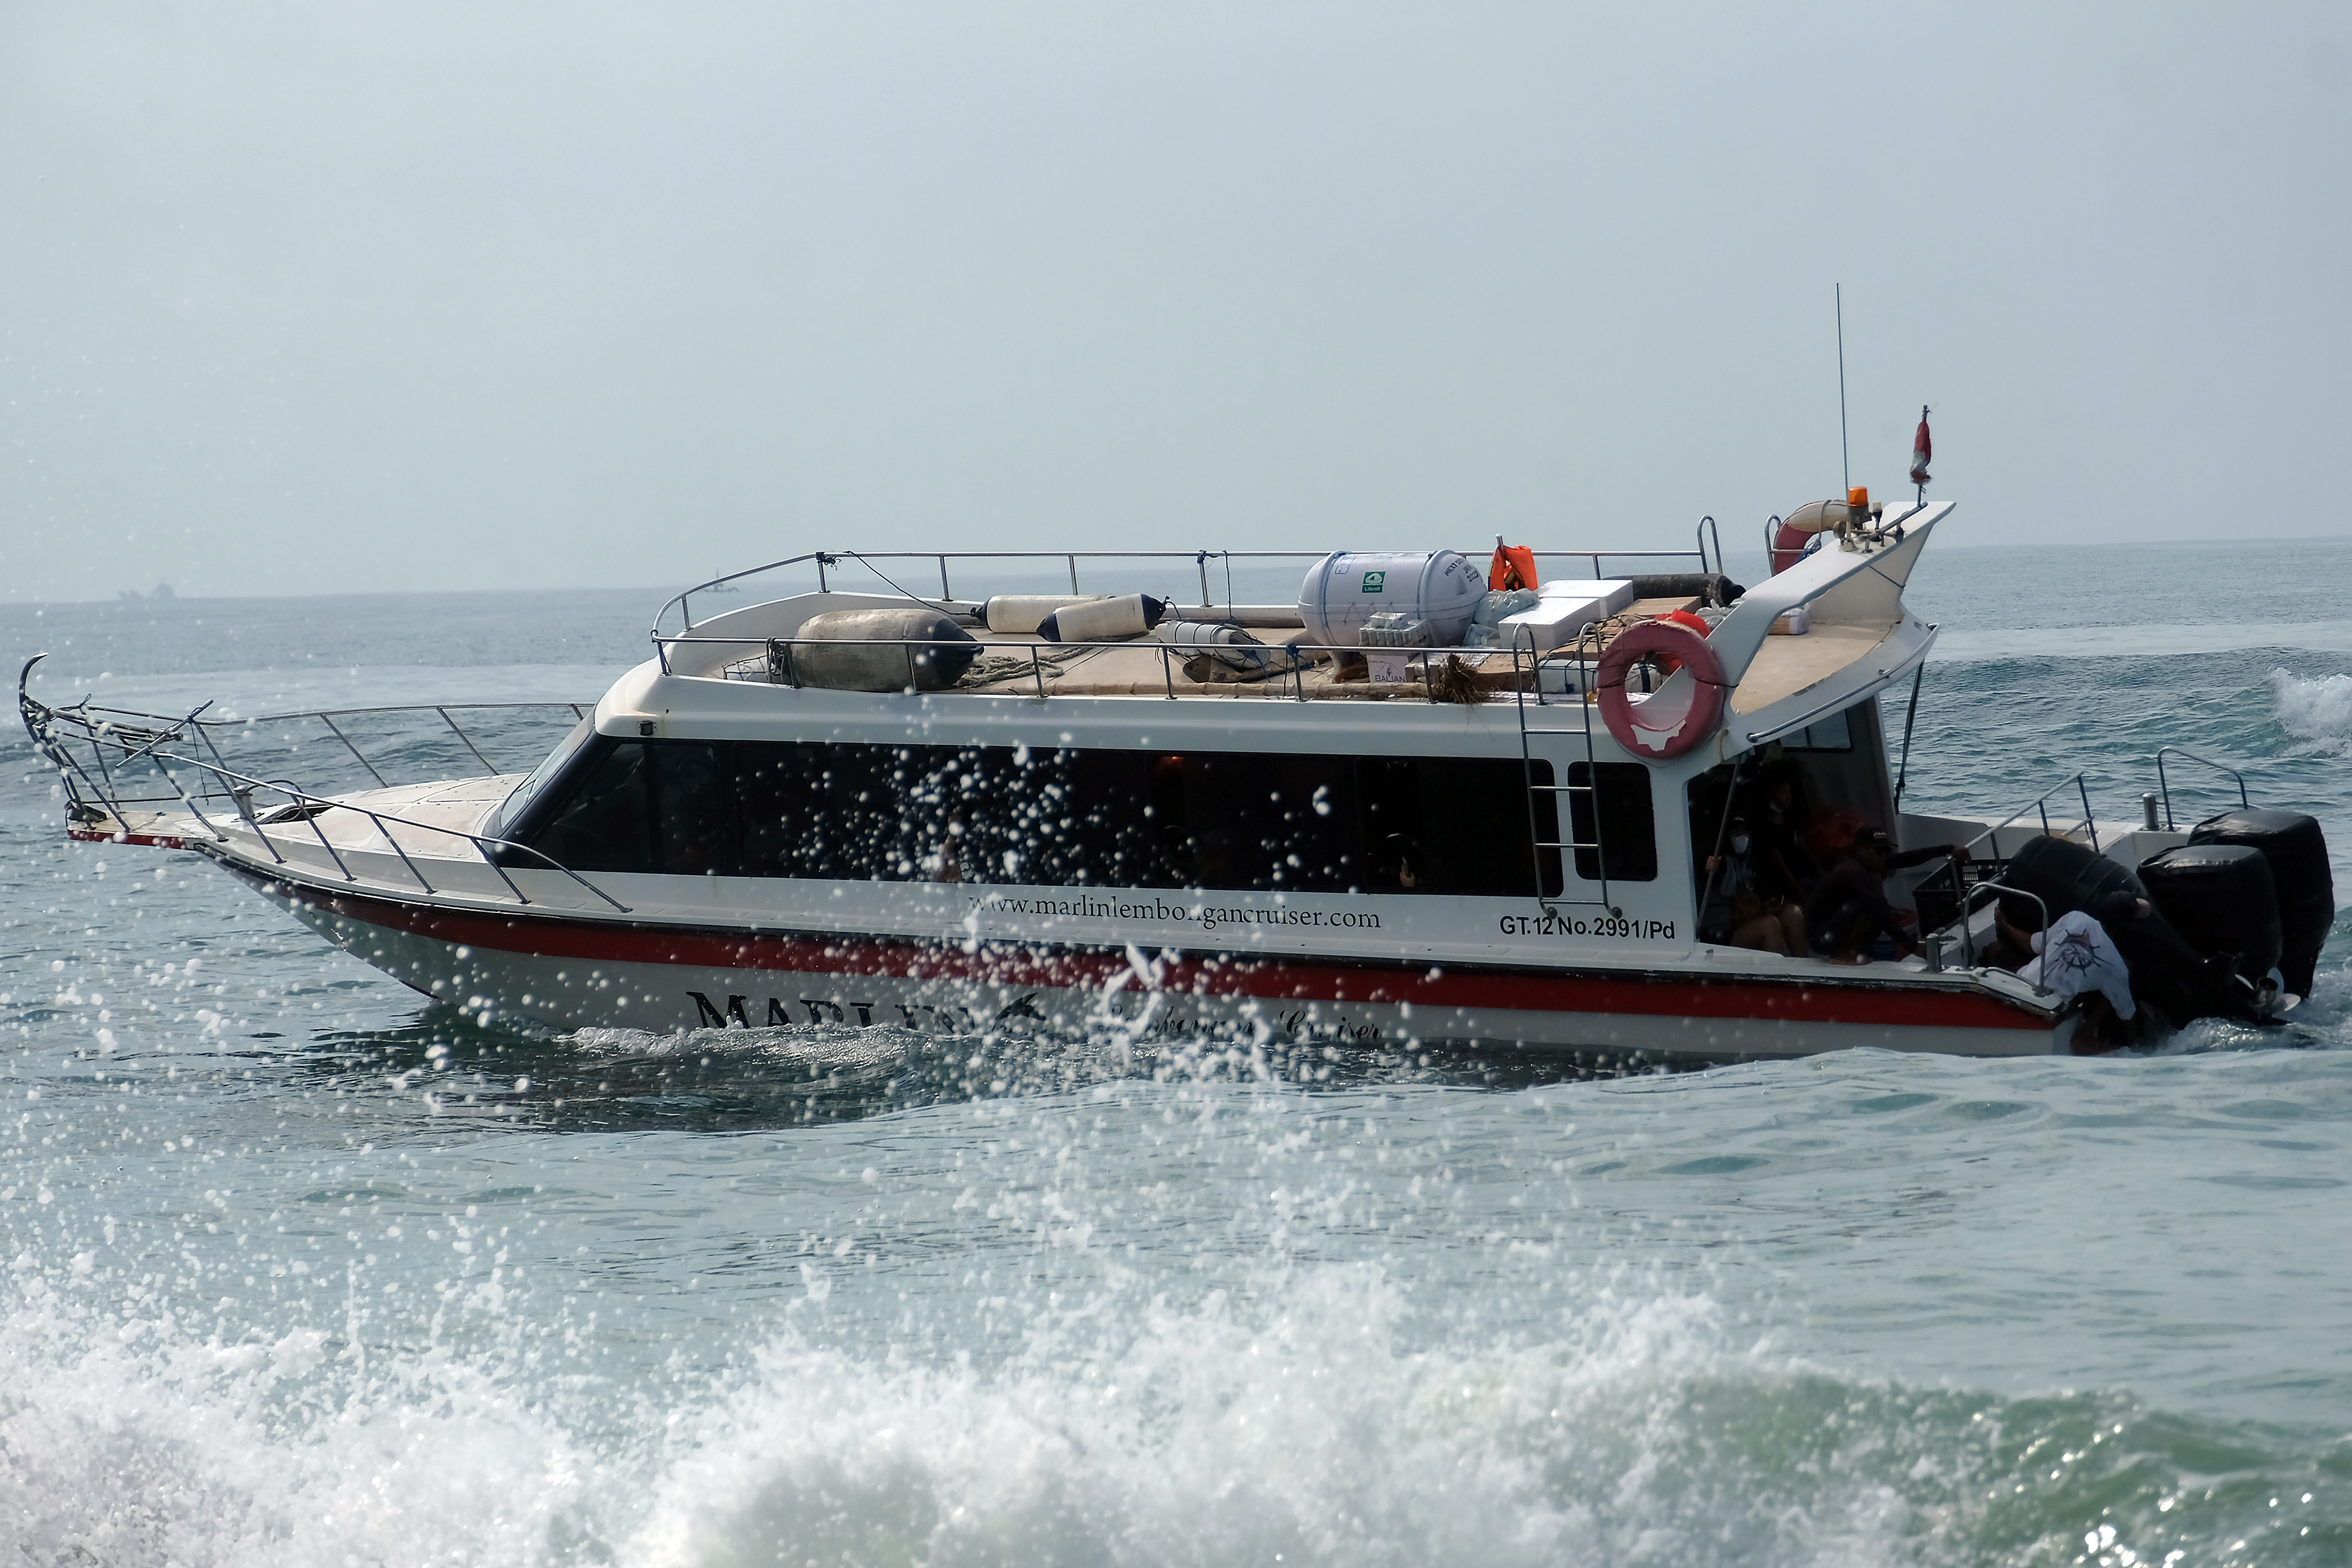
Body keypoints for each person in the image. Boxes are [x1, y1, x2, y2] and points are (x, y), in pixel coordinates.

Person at [1805, 827, 1968, 964]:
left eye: (1886, 850)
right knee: (1876, 908)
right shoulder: (1852, 870)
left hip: (1833, 929)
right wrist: (1914, 948)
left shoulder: (1869, 862)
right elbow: (1879, 910)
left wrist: (1948, 849)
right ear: (1861, 850)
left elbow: (1907, 859)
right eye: (1878, 851)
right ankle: (1841, 955)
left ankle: (1854, 952)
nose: (1883, 855)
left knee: (1881, 909)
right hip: (1820, 938)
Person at [2019, 906, 2141, 1049]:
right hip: (2049, 1008)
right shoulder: (2116, 966)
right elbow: (2127, 1015)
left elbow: (2033, 945)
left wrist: (2004, 923)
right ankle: (2085, 1034)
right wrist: (2135, 1043)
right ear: (2125, 926)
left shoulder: (2076, 917)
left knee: (1995, 949)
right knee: (2110, 984)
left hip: (2021, 981)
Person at [1703, 817, 1807, 955]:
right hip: (1723, 935)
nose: (1741, 836)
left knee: (1793, 913)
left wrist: (1769, 906)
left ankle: (1802, 969)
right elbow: (1706, 876)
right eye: (1736, 831)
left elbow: (1760, 895)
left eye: (1744, 831)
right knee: (1770, 925)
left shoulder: (1751, 864)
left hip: (1750, 922)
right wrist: (1709, 869)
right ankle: (1776, 975)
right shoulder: (1719, 862)